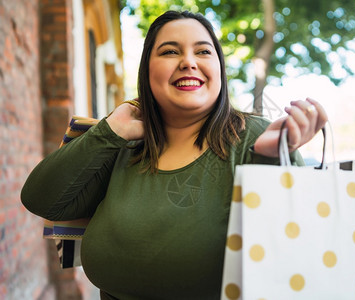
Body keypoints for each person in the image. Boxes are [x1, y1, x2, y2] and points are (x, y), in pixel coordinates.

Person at [21, 10, 327, 300]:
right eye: (170, 51)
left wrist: (270, 161)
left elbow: (289, 260)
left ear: (219, 68)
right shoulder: (121, 143)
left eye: (203, 51)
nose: (188, 62)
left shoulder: (260, 139)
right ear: (147, 70)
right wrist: (108, 131)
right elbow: (40, 199)